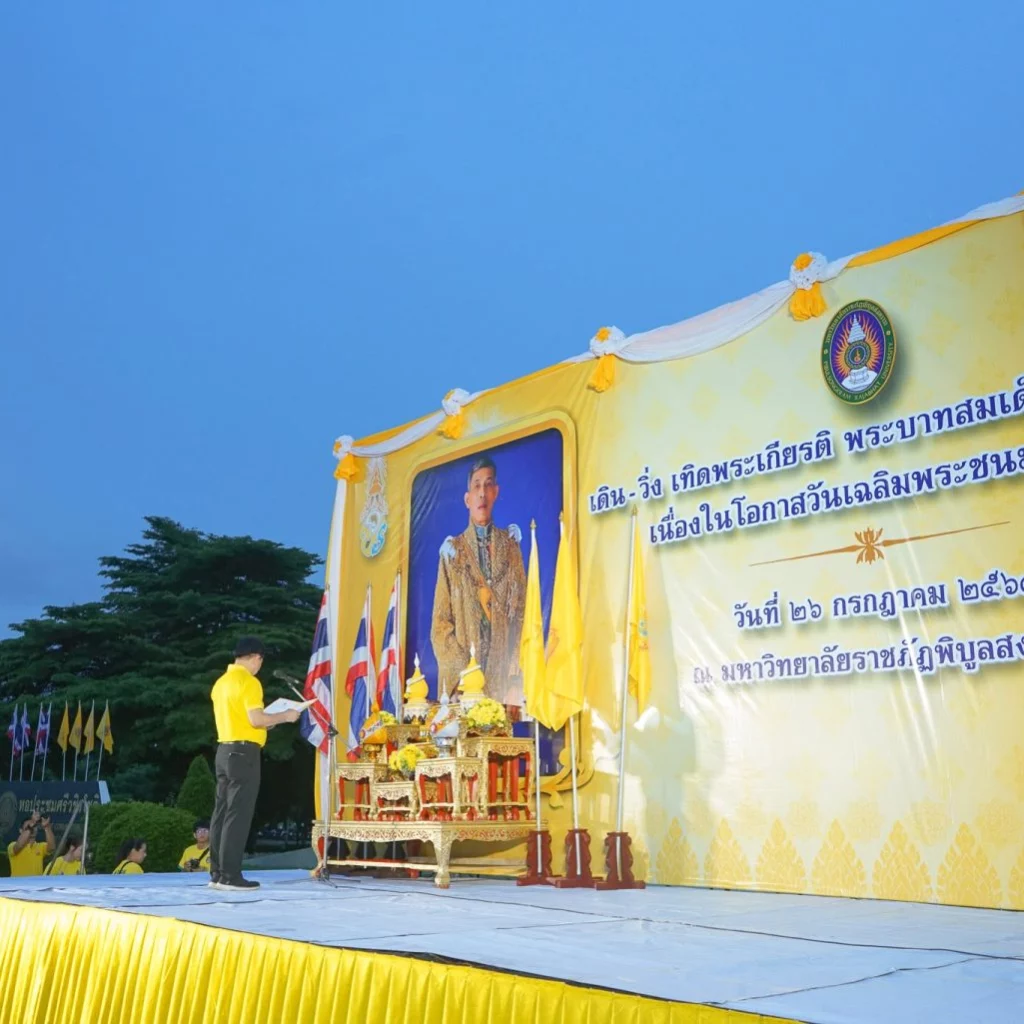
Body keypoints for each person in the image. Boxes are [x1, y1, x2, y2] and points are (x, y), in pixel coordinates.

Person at [430, 456, 527, 719]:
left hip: (502, 682)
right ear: (467, 498)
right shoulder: (453, 552)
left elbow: (521, 614)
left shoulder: (510, 547)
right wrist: (467, 673)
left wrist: (514, 676)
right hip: (464, 687)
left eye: (488, 485)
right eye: (476, 486)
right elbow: (440, 626)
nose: (482, 493)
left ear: (496, 492)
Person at [208, 636, 301, 892]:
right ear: (256, 658)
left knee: (222, 812)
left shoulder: (221, 682)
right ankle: (231, 876)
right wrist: (286, 716)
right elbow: (256, 719)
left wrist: (268, 720)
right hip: (244, 753)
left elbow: (246, 719)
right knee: (238, 814)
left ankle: (217, 873)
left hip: (224, 750)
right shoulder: (249, 682)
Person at [7, 811, 56, 877]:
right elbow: (19, 845)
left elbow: (52, 848)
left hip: (35, 886)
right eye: (28, 826)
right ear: (21, 830)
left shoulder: (40, 846)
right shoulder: (12, 845)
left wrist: (47, 827)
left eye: (34, 826)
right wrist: (32, 823)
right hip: (17, 886)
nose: (32, 828)